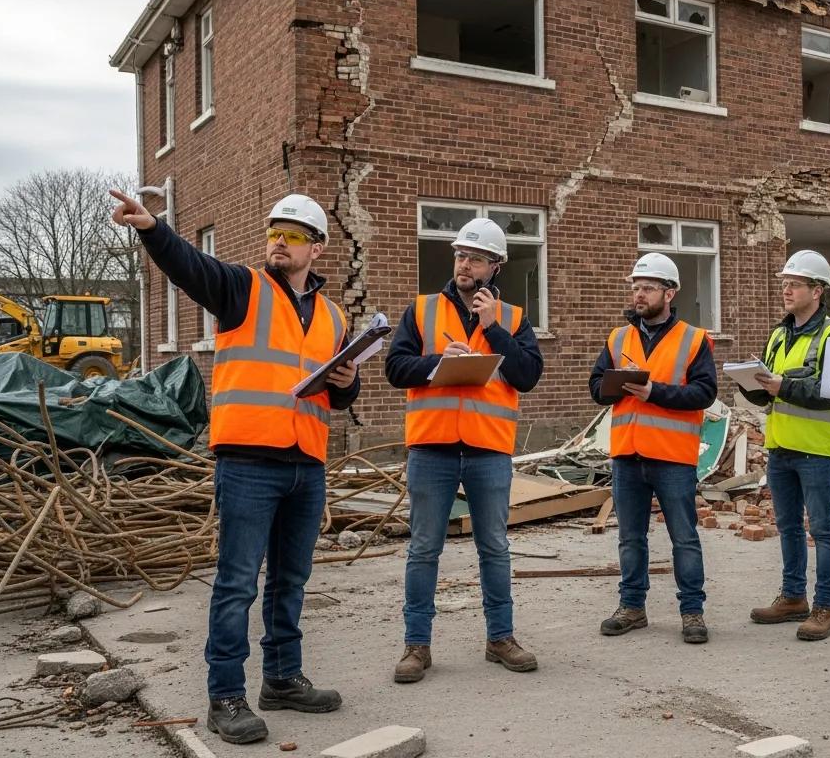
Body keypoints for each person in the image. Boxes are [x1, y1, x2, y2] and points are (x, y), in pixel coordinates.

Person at [109, 189, 359, 744]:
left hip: (306, 463)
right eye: (275, 230)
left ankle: (283, 678)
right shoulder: (243, 289)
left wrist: (347, 383)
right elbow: (189, 266)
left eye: (293, 235)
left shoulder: (333, 316)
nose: (279, 240)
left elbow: (339, 396)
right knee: (237, 584)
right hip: (248, 463)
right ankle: (225, 696)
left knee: (291, 580)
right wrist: (153, 228)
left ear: (316, 249)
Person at [384, 217, 544, 683]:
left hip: (488, 450)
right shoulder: (421, 311)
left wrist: (495, 330)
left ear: (495, 266)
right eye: (459, 255)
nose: (464, 264)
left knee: (493, 546)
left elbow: (527, 376)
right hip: (431, 447)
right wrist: (437, 363)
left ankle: (501, 637)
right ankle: (417, 645)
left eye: (474, 258)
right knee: (423, 549)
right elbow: (395, 368)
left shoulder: (513, 319)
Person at [589, 253, 717, 643]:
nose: (638, 294)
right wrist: (613, 385)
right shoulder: (618, 337)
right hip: (628, 455)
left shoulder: (694, 339)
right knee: (630, 538)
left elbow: (705, 392)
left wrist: (653, 392)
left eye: (647, 288)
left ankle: (692, 612)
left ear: (669, 292)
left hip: (672, 457)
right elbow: (596, 388)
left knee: (685, 538)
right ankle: (632, 607)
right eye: (636, 287)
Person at [740, 250, 830, 642]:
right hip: (781, 446)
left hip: (818, 450)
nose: (786, 290)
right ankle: (793, 597)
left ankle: (826, 607)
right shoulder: (777, 334)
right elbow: (771, 394)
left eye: (795, 284)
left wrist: (782, 386)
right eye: (784, 283)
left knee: (823, 530)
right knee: (787, 526)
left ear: (817, 291)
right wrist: (750, 386)